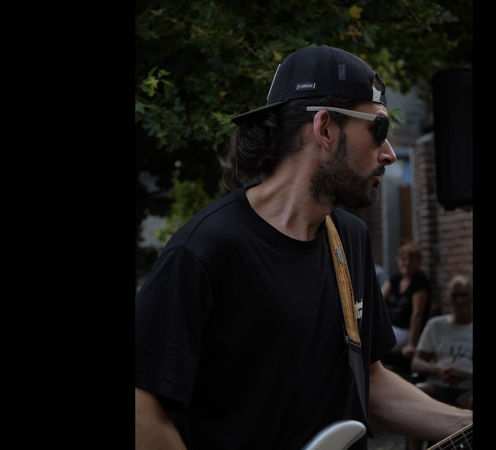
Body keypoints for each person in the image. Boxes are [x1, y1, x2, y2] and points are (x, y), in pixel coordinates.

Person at [135, 45, 472, 450]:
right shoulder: (205, 249)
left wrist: (464, 423)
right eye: (378, 130)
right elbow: (142, 407)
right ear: (325, 128)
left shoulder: (350, 239)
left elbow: (371, 381)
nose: (389, 153)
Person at [408, 275, 473, 450]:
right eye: (455, 296)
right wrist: (437, 370)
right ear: (448, 298)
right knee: (418, 393)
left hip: (467, 389)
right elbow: (416, 363)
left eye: (464, 295)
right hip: (438, 385)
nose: (460, 301)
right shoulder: (436, 325)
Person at [381, 243, 430, 359]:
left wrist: (411, 344)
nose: (407, 263)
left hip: (406, 331)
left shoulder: (420, 282)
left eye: (411, 260)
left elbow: (417, 314)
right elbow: (377, 302)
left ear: (419, 262)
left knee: (375, 341)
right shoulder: (395, 279)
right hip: (390, 327)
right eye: (404, 259)